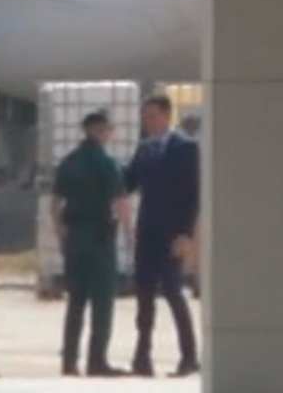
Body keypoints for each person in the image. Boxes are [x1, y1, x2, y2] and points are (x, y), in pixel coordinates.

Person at [125, 94, 200, 377]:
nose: (148, 121)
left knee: (172, 292)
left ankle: (189, 356)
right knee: (144, 295)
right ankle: (142, 357)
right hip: (147, 231)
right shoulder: (145, 149)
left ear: (167, 116)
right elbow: (128, 182)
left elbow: (193, 194)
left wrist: (185, 233)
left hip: (173, 232)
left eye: (153, 115)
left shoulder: (186, 148)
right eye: (145, 116)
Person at [53, 110, 132, 377]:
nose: (110, 134)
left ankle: (69, 362)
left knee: (76, 301)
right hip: (99, 238)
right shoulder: (106, 162)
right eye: (108, 129)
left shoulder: (69, 162)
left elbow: (56, 205)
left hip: (75, 236)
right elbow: (121, 203)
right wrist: (131, 235)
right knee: (102, 301)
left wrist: (62, 237)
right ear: (97, 131)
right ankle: (97, 361)